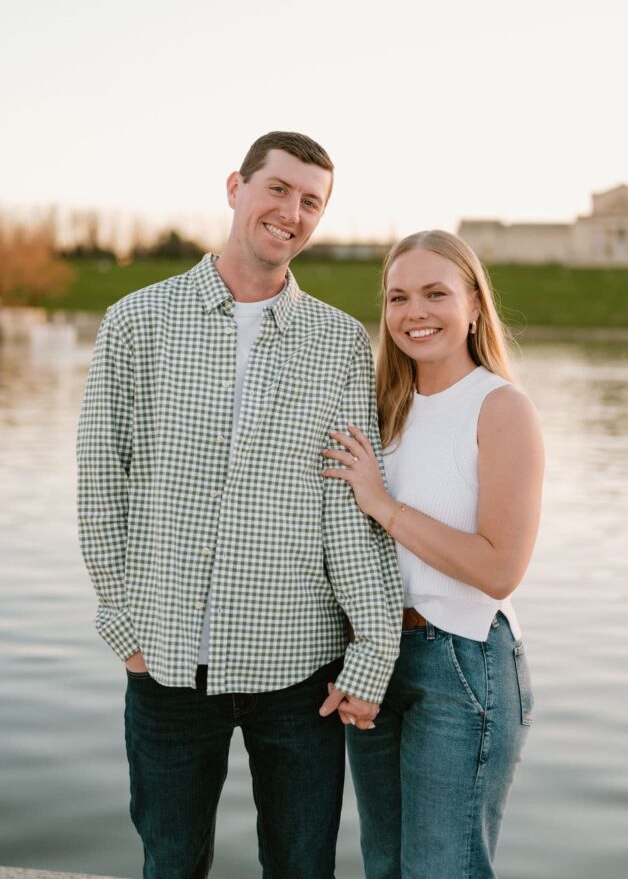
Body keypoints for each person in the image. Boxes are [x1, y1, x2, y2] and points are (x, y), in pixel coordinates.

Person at [77, 131, 403, 879]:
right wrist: (121, 621)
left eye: (310, 201)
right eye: (278, 189)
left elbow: (347, 505)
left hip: (298, 672)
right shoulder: (137, 321)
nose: (291, 212)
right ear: (236, 186)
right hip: (163, 665)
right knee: (171, 863)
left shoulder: (340, 344)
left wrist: (373, 647)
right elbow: (100, 480)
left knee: (300, 867)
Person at [322, 229, 544, 879]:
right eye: (396, 297)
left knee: (439, 871)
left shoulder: (500, 407)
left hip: (462, 662)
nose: (413, 312)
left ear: (473, 304)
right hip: (375, 659)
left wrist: (383, 505)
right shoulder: (380, 409)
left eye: (434, 293)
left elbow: (498, 567)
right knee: (383, 866)